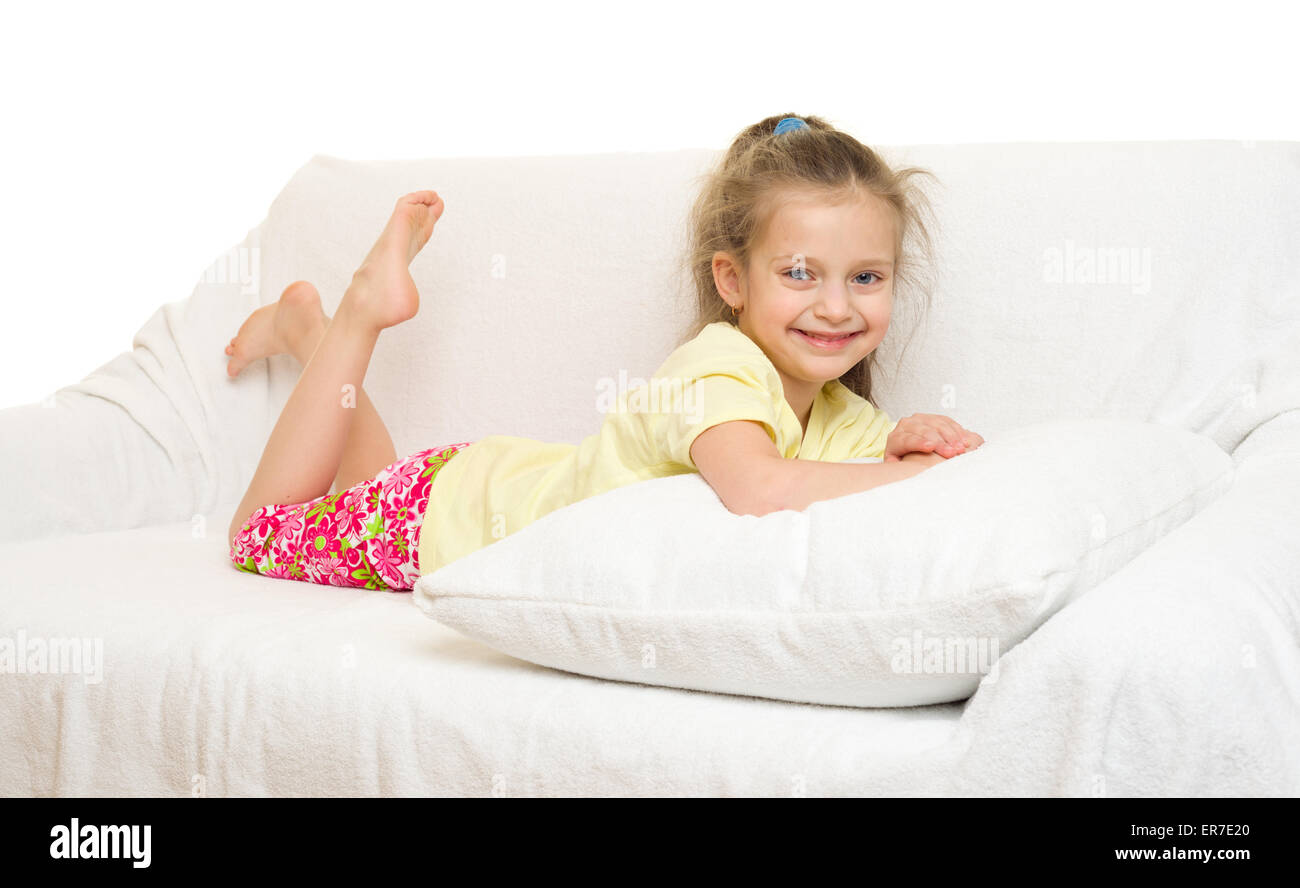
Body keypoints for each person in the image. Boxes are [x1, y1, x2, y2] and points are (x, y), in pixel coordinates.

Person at [225, 113, 984, 592]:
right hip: (445, 524)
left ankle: (306, 332)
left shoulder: (834, 410)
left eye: (866, 277)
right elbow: (759, 487)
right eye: (798, 273)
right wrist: (896, 475)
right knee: (258, 535)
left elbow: (856, 474)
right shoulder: (716, 371)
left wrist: (905, 445)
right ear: (732, 280)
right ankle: (355, 314)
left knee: (364, 483)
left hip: (480, 485)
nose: (836, 306)